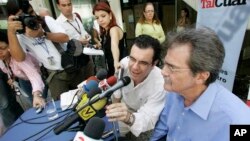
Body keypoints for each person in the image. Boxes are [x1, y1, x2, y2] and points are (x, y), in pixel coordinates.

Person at [150, 27, 250, 141]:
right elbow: (162, 127)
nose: (163, 72)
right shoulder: (174, 92)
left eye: (172, 67)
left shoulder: (238, 121)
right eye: (165, 64)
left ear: (201, 76)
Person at [6, 0, 88, 100]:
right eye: (23, 16)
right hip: (54, 75)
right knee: (64, 106)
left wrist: (43, 34)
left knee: (84, 98)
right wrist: (11, 32)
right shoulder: (19, 35)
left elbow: (65, 37)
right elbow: (19, 58)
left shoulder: (45, 20)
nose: (29, 18)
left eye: (31, 12)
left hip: (72, 65)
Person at [105, 35, 166, 140]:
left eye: (143, 63)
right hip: (123, 109)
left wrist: (128, 117)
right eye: (132, 59)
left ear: (154, 64)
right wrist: (115, 110)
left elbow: (148, 119)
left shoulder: (161, 83)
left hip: (146, 120)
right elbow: (117, 94)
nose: (134, 67)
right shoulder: (124, 64)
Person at [0, 29, 45, 108]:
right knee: (33, 102)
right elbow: (8, 69)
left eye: (2, 48)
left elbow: (34, 76)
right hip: (24, 80)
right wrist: (11, 76)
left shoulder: (19, 58)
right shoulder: (2, 60)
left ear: (10, 45)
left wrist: (37, 94)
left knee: (39, 100)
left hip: (41, 75)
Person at [56, 0, 94, 77]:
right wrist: (78, 41)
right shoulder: (58, 23)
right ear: (58, 6)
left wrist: (87, 36)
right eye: (64, 5)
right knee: (81, 84)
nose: (68, 8)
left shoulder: (76, 17)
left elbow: (82, 31)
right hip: (75, 59)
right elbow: (63, 43)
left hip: (87, 54)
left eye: (69, 4)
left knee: (92, 78)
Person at [92, 2, 128, 77]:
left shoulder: (113, 29)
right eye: (97, 18)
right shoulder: (105, 31)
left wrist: (116, 62)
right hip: (111, 67)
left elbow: (114, 45)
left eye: (103, 16)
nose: (100, 20)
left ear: (110, 15)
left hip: (119, 67)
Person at [0, 70, 24, 136]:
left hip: (2, 71)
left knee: (11, 100)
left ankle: (24, 122)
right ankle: (15, 133)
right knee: (5, 105)